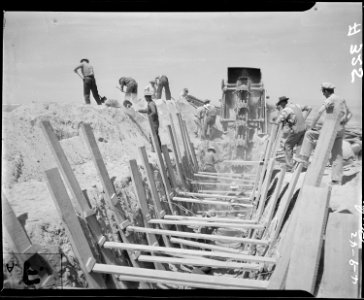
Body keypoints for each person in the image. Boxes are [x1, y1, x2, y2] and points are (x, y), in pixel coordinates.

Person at [296, 82, 352, 185]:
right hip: (340, 131)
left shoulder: (330, 99)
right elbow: (349, 115)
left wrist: (312, 125)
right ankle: (336, 180)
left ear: (326, 91)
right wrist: (341, 124)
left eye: (323, 92)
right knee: (337, 155)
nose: (323, 94)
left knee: (309, 134)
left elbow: (319, 112)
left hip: (331, 130)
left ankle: (304, 158)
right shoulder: (341, 99)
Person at [275, 96, 312, 171]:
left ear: (282, 103)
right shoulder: (296, 106)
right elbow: (309, 108)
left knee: (287, 145)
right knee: (299, 147)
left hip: (296, 130)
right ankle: (299, 166)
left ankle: (289, 166)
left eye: (280, 104)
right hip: (304, 128)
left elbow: (277, 121)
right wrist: (304, 118)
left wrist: (276, 121)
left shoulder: (286, 110)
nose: (280, 106)